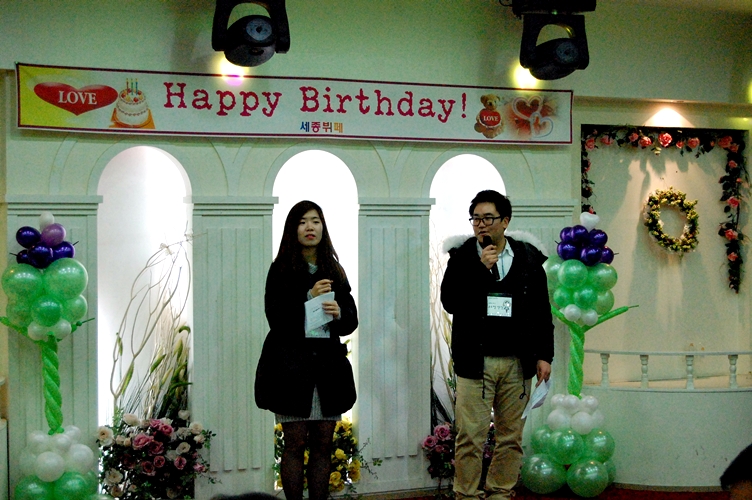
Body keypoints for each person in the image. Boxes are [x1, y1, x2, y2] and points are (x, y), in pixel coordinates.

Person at [440, 190, 554, 500]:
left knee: (511, 436)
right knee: (470, 436)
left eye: (488, 218)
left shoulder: (529, 258)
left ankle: (501, 491)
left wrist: (544, 355)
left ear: (505, 221)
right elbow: (450, 301)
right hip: (475, 361)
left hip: (518, 361)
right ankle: (466, 494)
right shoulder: (461, 256)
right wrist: (479, 268)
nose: (481, 225)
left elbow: (542, 311)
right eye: (476, 219)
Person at [254, 200, 358, 500]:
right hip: (291, 371)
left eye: (315, 221)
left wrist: (339, 313)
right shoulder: (281, 269)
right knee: (295, 444)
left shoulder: (334, 269)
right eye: (302, 222)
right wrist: (308, 297)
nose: (309, 227)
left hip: (327, 371)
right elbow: (276, 318)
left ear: (323, 227)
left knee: (324, 444)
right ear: (293, 229)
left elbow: (351, 320)